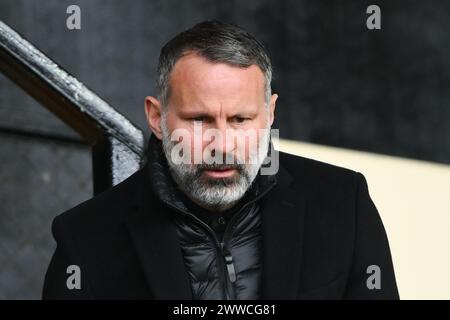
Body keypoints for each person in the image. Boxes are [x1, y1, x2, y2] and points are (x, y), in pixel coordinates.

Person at [43, 20, 399, 300]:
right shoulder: (85, 239)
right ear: (157, 118)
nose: (221, 144)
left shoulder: (342, 203)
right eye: (199, 120)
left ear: (270, 112)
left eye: (240, 120)